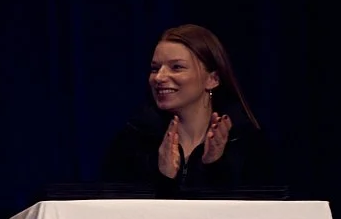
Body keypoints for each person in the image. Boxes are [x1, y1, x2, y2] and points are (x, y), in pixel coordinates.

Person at [101, 24, 272, 191]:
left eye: (177, 67)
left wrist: (214, 167)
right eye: (155, 68)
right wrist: (164, 178)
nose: (159, 77)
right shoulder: (132, 142)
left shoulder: (246, 143)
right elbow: (117, 214)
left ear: (213, 79)